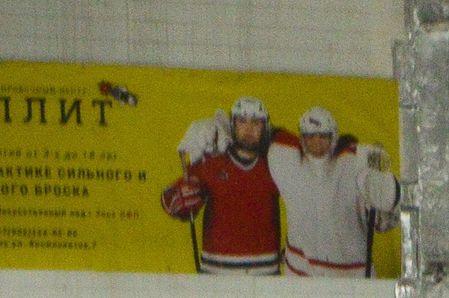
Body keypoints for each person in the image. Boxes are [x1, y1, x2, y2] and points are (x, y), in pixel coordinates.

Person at [269, 107, 397, 278]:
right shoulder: (288, 162)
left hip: (351, 277)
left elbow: (384, 218)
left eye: (323, 136)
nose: (317, 141)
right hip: (302, 276)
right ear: (302, 137)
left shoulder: (352, 165)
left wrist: (386, 209)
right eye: (310, 136)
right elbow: (262, 136)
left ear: (333, 136)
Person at [162, 96, 283, 274]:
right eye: (242, 121)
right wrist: (176, 198)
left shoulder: (276, 165)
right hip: (216, 270)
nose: (248, 128)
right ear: (232, 125)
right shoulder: (211, 162)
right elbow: (172, 199)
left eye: (256, 122)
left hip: (266, 271)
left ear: (265, 127)